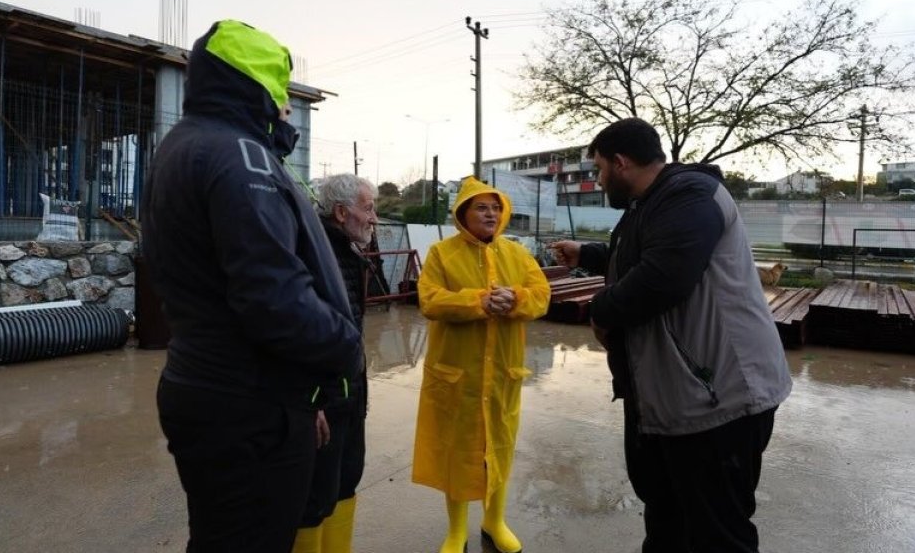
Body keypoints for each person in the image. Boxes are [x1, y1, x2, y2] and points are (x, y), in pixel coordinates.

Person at [142, 19, 363, 553]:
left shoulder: (186, 145)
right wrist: (345, 347)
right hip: (247, 407)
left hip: (221, 388)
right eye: (281, 94)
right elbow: (273, 298)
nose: (287, 110)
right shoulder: (241, 156)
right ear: (258, 87)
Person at [548, 117, 792, 553]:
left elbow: (663, 277)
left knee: (717, 534)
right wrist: (589, 253)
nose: (600, 180)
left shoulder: (690, 195)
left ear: (622, 162)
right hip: (675, 397)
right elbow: (647, 253)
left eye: (600, 169)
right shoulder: (652, 203)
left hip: (719, 397)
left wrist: (599, 312)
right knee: (668, 523)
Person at [412, 177, 551, 553]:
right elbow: (430, 300)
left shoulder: (518, 255)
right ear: (463, 214)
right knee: (457, 451)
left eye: (495, 208)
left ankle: (494, 521)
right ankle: (456, 531)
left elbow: (541, 297)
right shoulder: (441, 254)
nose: (490, 214)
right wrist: (479, 302)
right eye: (481, 207)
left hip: (503, 375)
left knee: (499, 448)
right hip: (457, 375)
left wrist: (516, 298)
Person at [291, 174, 380, 553]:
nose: (374, 218)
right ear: (342, 212)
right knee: (314, 497)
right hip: (322, 400)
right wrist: (309, 402)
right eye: (369, 208)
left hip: (350, 393)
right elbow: (297, 335)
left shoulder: (346, 252)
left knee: (346, 480)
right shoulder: (313, 252)